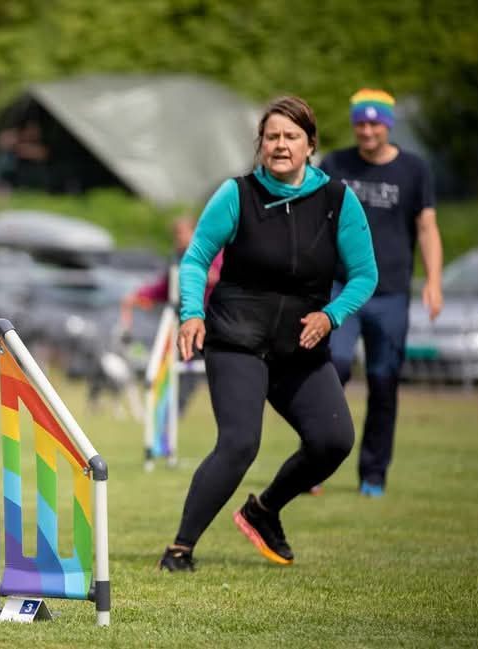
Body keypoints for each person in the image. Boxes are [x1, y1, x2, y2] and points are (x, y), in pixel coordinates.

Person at [157, 96, 378, 572]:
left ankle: (264, 511)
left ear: (310, 145)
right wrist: (191, 314)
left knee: (333, 440)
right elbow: (196, 258)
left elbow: (364, 274)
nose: (281, 145)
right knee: (239, 443)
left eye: (291, 137)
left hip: (299, 345)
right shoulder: (237, 194)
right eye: (272, 137)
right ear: (261, 145)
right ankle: (179, 549)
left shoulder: (338, 201)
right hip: (237, 338)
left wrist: (332, 316)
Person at [320, 89, 443, 498]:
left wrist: (434, 280)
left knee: (383, 381)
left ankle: (373, 474)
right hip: (341, 287)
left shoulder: (414, 170)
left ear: (388, 125)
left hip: (390, 292)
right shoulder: (336, 164)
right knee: (331, 367)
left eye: (375, 123)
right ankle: (316, 460)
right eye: (360, 122)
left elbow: (426, 228)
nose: (367, 130)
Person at [119, 217, 222, 416]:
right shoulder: (176, 257)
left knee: (195, 368)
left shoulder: (211, 250)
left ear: (195, 232)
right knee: (181, 365)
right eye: (176, 234)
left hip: (211, 320)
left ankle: (175, 409)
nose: (178, 238)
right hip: (183, 322)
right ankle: (170, 410)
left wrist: (203, 273)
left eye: (181, 233)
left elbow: (219, 277)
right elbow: (165, 287)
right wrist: (139, 296)